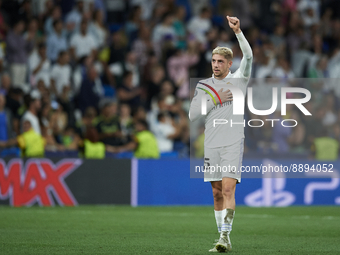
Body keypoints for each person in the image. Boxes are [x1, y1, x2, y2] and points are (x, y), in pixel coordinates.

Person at [189, 16, 253, 253]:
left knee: (228, 190)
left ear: (229, 64)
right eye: (213, 61)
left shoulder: (239, 79)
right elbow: (192, 115)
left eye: (220, 62)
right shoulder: (204, 85)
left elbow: (248, 57)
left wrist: (238, 32)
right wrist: (215, 99)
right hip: (211, 143)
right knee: (216, 193)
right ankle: (220, 235)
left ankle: (225, 237)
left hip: (233, 141)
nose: (215, 65)